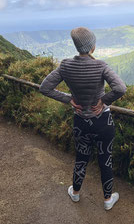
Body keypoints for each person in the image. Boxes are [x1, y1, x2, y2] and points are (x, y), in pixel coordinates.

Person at [39, 27, 126, 211]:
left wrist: (69, 99)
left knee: (81, 158)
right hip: (103, 122)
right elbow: (120, 88)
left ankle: (76, 193)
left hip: (80, 122)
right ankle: (108, 199)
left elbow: (45, 87)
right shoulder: (101, 66)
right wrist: (103, 101)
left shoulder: (65, 66)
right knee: (105, 159)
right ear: (92, 47)